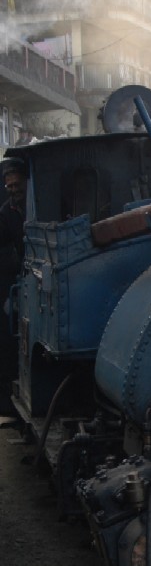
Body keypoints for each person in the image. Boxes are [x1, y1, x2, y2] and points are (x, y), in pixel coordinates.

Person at [0, 156, 27, 414]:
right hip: (23, 272)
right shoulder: (7, 212)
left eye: (17, 185)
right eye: (9, 187)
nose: (13, 190)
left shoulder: (37, 203)